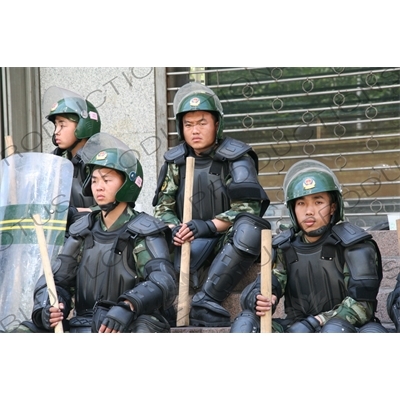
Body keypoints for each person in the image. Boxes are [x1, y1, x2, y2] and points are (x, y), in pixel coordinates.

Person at [16, 139, 177, 333]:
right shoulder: (82, 229)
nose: (98, 187)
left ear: (128, 183)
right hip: (84, 324)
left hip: (128, 323)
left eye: (107, 180)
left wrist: (129, 305)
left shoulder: (145, 230)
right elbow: (56, 279)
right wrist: (49, 307)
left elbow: (162, 280)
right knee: (24, 332)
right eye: (94, 180)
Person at [152, 82, 270, 327]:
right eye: (188, 124)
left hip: (224, 240)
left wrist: (207, 226)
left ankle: (207, 299)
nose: (195, 130)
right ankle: (157, 301)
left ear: (217, 123)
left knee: (252, 227)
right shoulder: (176, 161)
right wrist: (175, 229)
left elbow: (248, 208)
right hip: (184, 241)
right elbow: (162, 207)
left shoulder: (237, 157)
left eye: (202, 122)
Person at [230, 159, 388, 333]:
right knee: (245, 322)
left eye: (318, 202)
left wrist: (315, 322)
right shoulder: (284, 247)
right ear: (292, 209)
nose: (309, 211)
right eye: (301, 203)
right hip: (296, 327)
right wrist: (257, 298)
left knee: (336, 330)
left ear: (333, 207)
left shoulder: (355, 245)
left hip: (347, 327)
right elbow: (267, 284)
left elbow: (362, 306)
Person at [43, 86, 101, 229]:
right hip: (58, 234)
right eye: (55, 125)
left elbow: (115, 209)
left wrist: (75, 213)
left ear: (83, 126)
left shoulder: (99, 161)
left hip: (94, 235)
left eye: (62, 125)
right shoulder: (55, 160)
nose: (56, 131)